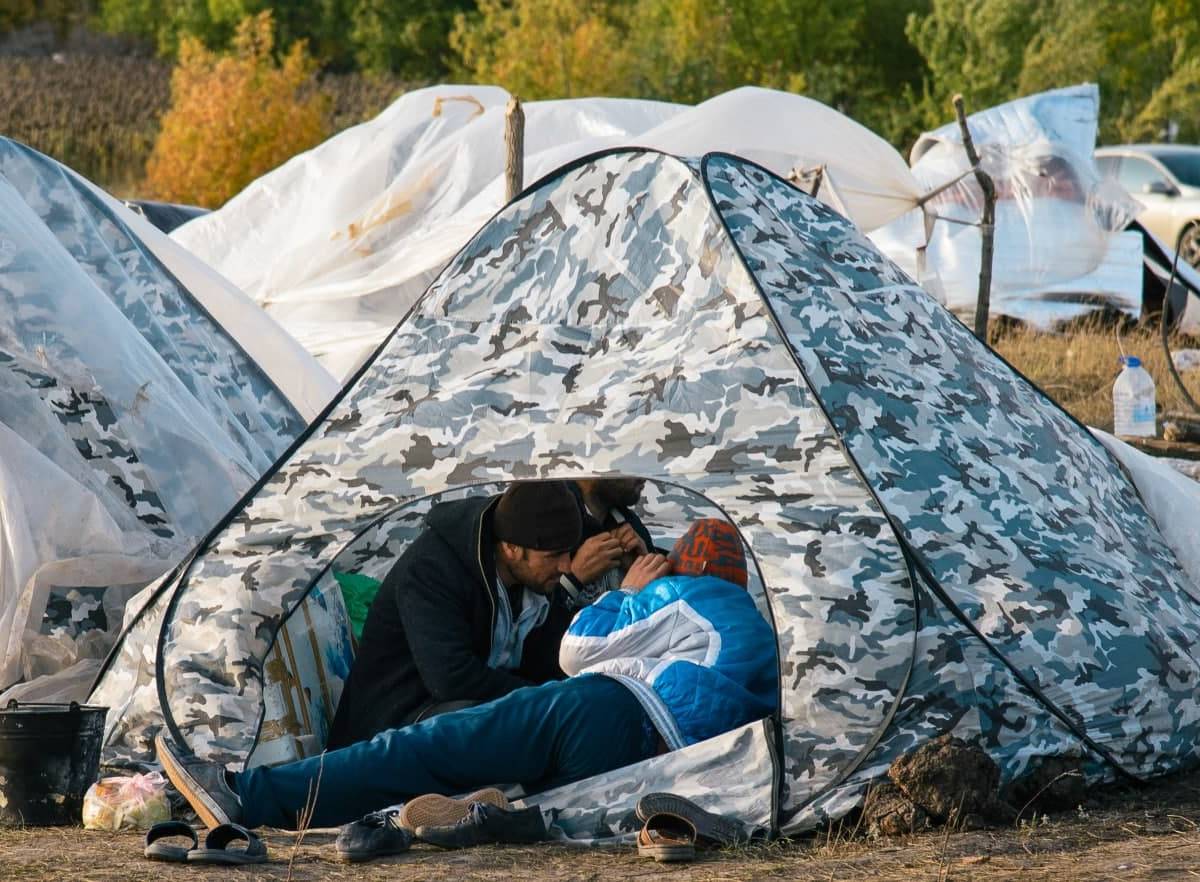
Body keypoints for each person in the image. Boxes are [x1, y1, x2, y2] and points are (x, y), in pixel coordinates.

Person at [156, 519, 778, 832]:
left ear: (682, 563)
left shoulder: (681, 592)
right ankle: (490, 814)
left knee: (430, 745)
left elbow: (577, 651)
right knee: (512, 785)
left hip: (612, 709)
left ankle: (250, 796)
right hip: (659, 763)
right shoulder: (759, 634)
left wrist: (629, 590)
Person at [324, 481, 584, 749]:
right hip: (391, 727)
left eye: (568, 552)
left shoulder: (534, 579)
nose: (566, 566)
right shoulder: (432, 569)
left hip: (455, 710)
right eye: (554, 555)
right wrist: (541, 698)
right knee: (496, 724)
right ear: (511, 548)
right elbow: (451, 679)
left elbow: (547, 656)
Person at [561, 478, 657, 608]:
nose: (642, 477)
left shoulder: (631, 524)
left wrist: (646, 569)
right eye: (630, 462)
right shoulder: (549, 518)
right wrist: (573, 580)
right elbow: (529, 622)